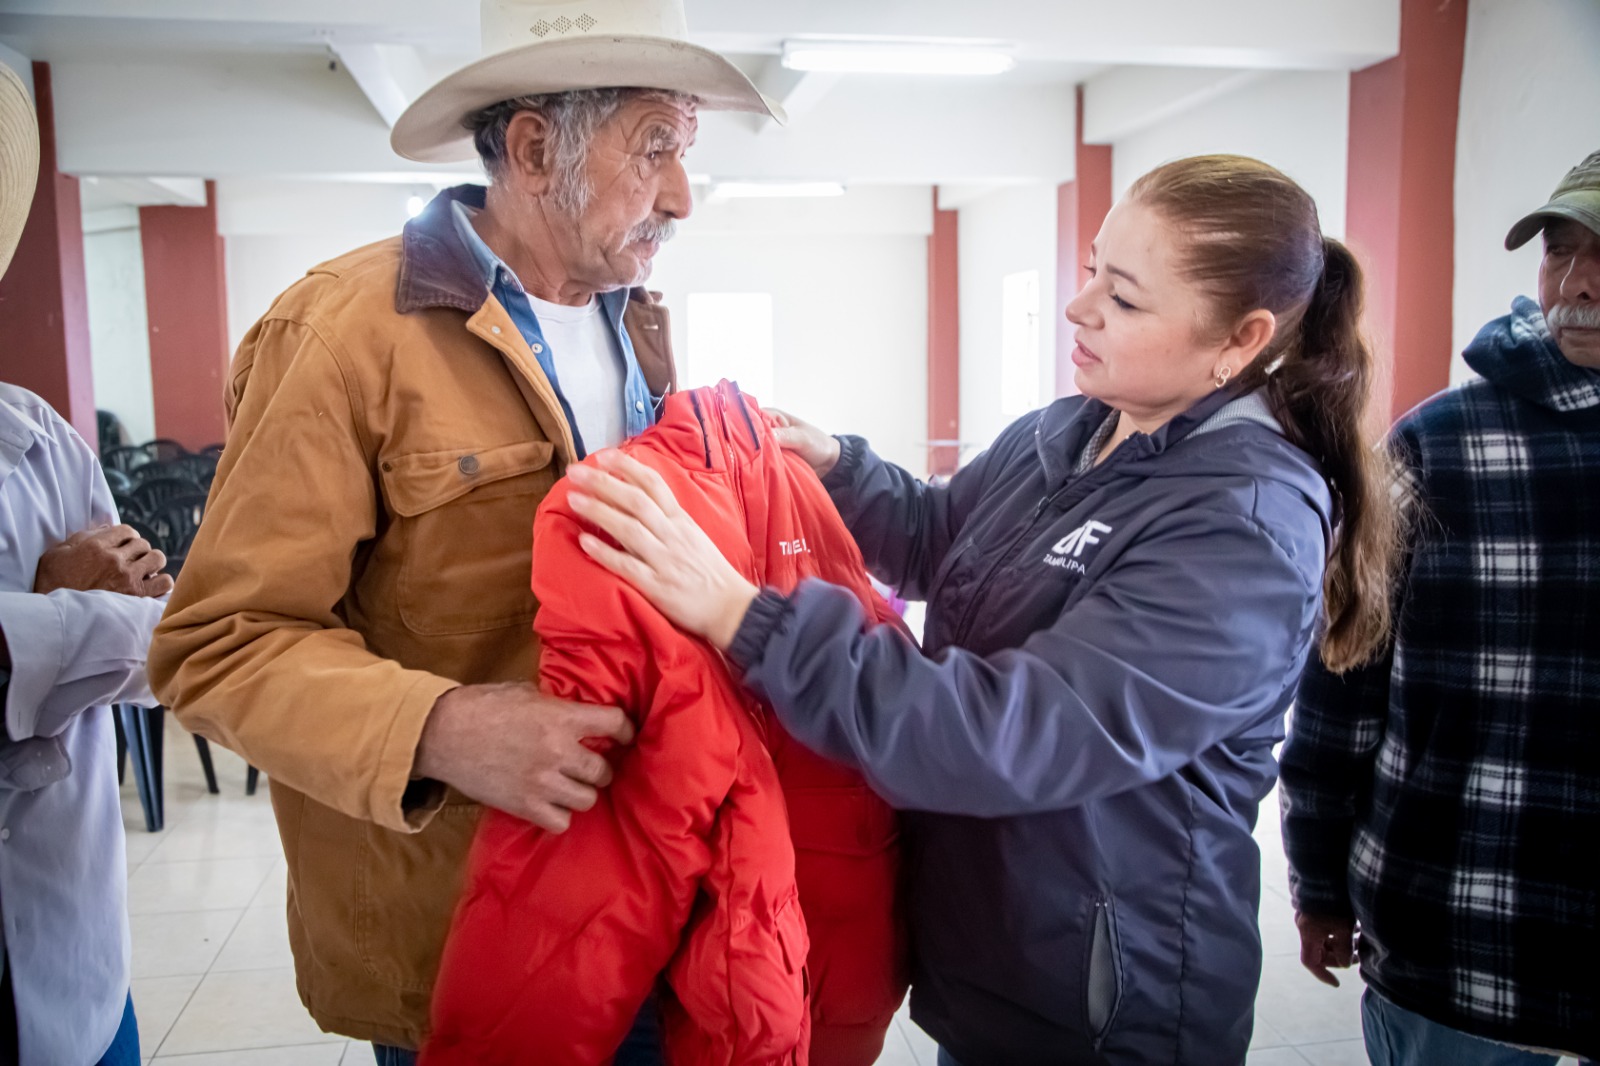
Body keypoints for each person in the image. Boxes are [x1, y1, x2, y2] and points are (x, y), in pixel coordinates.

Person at [563, 153, 1401, 1065]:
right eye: (1092, 270)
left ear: (1239, 339)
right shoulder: (1076, 427)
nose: (1078, 308)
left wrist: (745, 618)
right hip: (1000, 951)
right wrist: (836, 468)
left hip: (1104, 1008)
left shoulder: (1241, 525)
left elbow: (1006, 733)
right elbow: (940, 538)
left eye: (1123, 299)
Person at [146, 1, 782, 1062]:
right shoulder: (340, 335)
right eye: (655, 147)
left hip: (657, 904)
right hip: (470, 933)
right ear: (532, 150)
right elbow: (215, 645)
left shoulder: (634, 319)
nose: (681, 193)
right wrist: (439, 729)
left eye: (686, 150)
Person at [1280, 151, 1600, 1066]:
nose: (1577, 284)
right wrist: (1318, 880)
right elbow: (1342, 682)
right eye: (1560, 252)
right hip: (1459, 945)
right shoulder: (1440, 445)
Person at [0, 60, 170, 1066]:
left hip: (78, 971)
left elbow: (161, 650)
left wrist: (29, 630)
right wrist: (54, 605)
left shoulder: (36, 438)